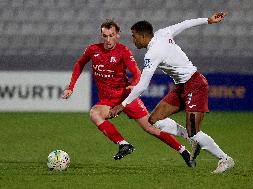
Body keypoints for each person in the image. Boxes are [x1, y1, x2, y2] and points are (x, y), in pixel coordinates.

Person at [109, 12, 235, 174]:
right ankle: (191, 137)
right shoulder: (163, 33)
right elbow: (185, 23)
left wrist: (123, 104)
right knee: (153, 119)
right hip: (181, 87)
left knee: (195, 131)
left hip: (195, 85)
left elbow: (143, 85)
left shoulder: (152, 53)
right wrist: (207, 20)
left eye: (134, 36)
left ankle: (225, 159)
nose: (133, 39)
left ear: (142, 36)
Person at [62, 19, 194, 166]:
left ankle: (183, 151)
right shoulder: (93, 50)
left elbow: (137, 73)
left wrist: (133, 85)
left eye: (111, 35)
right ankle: (123, 144)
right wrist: (71, 87)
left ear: (117, 35)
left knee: (150, 127)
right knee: (95, 113)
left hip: (126, 98)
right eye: (104, 36)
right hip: (107, 101)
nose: (108, 39)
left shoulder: (123, 51)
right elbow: (80, 64)